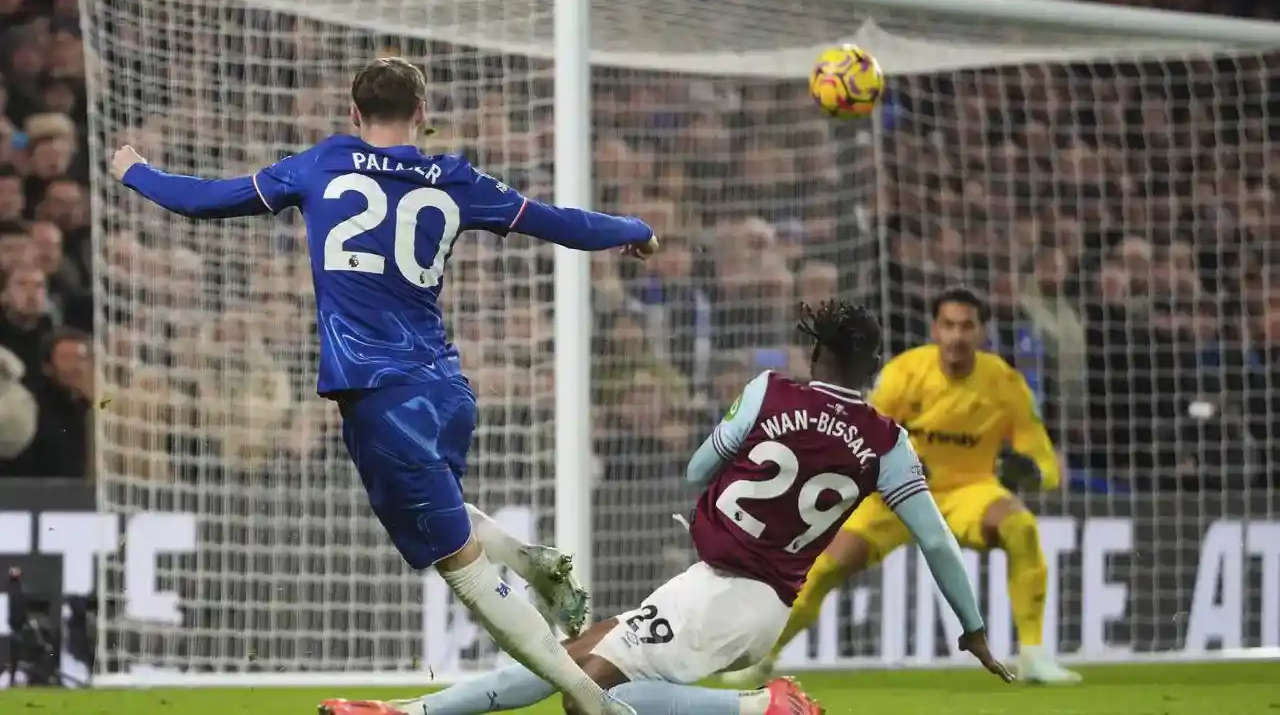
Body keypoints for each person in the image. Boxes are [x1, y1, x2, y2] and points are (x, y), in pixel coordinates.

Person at [110, 56, 660, 715]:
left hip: (377, 396)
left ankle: (594, 703)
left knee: (463, 569)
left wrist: (134, 171)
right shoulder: (456, 179)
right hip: (446, 390)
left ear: (352, 113)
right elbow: (558, 222)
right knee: (442, 513)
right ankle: (533, 561)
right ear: (422, 114)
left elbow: (203, 200)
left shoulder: (320, 165)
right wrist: (635, 229)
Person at [325, 301, 1013, 715]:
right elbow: (935, 541)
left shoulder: (770, 392)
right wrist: (975, 628)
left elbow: (698, 468)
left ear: (815, 351)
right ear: (872, 366)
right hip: (748, 597)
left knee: (585, 693)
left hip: (730, 592)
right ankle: (408, 710)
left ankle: (760, 707)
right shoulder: (887, 442)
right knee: (571, 659)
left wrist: (734, 450)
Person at [725, 287, 1080, 686]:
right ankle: (763, 657)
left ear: (982, 333)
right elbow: (860, 431)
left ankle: (1032, 654)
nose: (957, 336)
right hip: (895, 494)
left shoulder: (1005, 383)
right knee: (823, 569)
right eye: (948, 325)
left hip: (968, 491)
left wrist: (1030, 471)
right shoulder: (905, 373)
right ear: (934, 329)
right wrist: (894, 459)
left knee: (1021, 527)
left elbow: (1045, 461)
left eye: (966, 326)